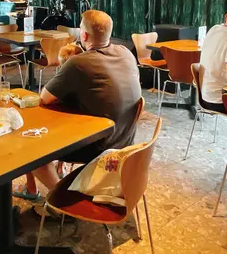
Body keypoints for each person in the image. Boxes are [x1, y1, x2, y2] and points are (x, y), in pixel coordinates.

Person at [13, 10, 142, 201]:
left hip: (100, 147)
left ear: (84, 35)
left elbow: (45, 98)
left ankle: (61, 199)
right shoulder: (126, 53)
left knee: (30, 149)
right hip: (126, 142)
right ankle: (42, 185)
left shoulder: (79, 63)